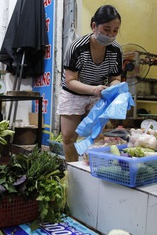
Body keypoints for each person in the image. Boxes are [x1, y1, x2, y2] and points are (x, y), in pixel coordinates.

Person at [57, 5, 122, 162]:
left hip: (98, 92)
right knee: (68, 137)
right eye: (106, 29)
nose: (111, 34)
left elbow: (115, 77)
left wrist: (113, 89)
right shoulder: (77, 47)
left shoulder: (116, 50)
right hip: (74, 92)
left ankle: (93, 170)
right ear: (94, 26)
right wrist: (94, 90)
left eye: (115, 30)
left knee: (97, 135)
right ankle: (72, 171)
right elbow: (70, 81)